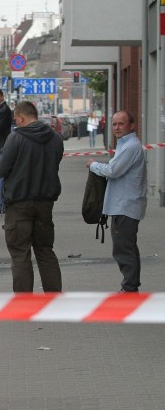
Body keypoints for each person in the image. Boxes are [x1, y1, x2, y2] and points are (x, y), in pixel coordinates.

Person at [0, 101, 64, 293]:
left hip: (19, 204)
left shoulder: (15, 138)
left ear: (22, 117)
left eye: (16, 119)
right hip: (45, 203)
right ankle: (54, 297)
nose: (16, 123)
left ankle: (24, 302)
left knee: (20, 253)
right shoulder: (56, 138)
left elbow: (0, 170)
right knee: (45, 251)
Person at [85, 110, 147, 293]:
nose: (117, 128)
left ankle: (129, 289)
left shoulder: (130, 146)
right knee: (127, 247)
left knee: (123, 249)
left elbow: (113, 170)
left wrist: (93, 165)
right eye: (114, 124)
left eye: (121, 124)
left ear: (132, 125)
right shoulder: (125, 145)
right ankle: (130, 286)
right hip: (123, 204)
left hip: (126, 205)